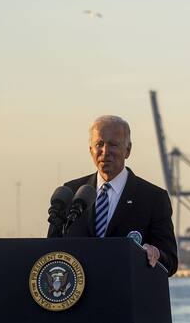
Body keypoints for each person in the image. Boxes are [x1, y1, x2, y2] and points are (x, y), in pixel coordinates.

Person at [47, 115, 178, 276]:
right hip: (77, 297)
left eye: (113, 144)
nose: (105, 151)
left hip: (125, 297)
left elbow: (170, 261)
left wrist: (156, 253)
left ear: (128, 150)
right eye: (99, 144)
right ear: (90, 150)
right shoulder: (71, 193)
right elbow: (50, 252)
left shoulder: (153, 198)